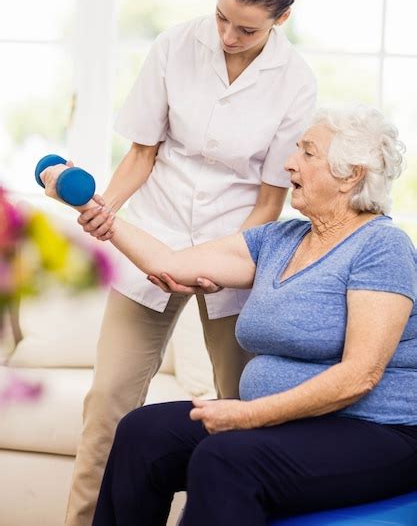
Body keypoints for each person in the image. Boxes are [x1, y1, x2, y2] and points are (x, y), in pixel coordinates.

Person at [42, 106, 417, 526]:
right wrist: (97, 212)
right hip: (289, 422)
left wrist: (248, 414)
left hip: (373, 431)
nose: (289, 162)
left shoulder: (382, 248)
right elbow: (171, 263)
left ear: (351, 175)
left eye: (307, 154)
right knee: (142, 432)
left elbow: (359, 375)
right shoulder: (279, 239)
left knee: (224, 459)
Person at [64, 0, 316, 526]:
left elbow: (270, 200)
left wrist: (217, 262)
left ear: (282, 20)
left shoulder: (296, 81)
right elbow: (142, 153)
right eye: (222, 16)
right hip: (154, 233)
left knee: (243, 406)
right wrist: (107, 210)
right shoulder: (175, 44)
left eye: (246, 28)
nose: (227, 34)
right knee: (107, 403)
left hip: (233, 250)